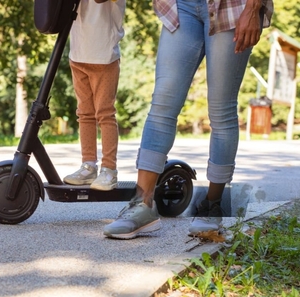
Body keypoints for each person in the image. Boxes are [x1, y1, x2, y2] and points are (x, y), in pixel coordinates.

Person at [103, 0, 273, 239]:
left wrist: (254, 8)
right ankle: (142, 205)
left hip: (233, 6)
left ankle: (211, 207)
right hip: (181, 5)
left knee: (221, 109)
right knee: (162, 102)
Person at [63, 0, 126, 191]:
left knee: (105, 114)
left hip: (104, 55)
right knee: (84, 114)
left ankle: (109, 170)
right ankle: (88, 166)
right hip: (78, 52)